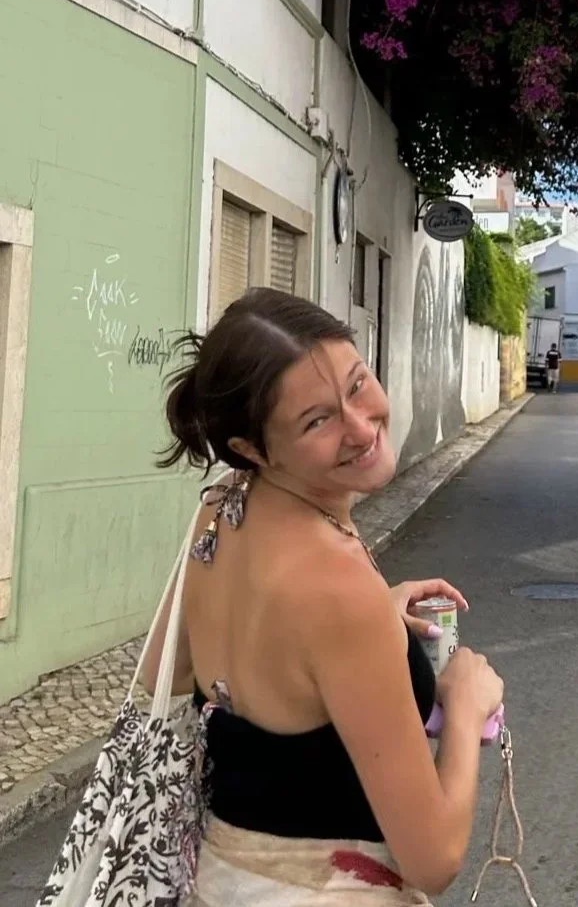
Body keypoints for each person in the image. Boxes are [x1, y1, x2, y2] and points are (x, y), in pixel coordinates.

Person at [140, 288, 504, 906]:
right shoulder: (339, 593)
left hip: (222, 884)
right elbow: (433, 858)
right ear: (253, 449)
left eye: (358, 385)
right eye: (317, 421)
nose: (361, 428)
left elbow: (168, 680)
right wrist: (466, 709)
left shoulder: (221, 508)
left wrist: (356, 639)